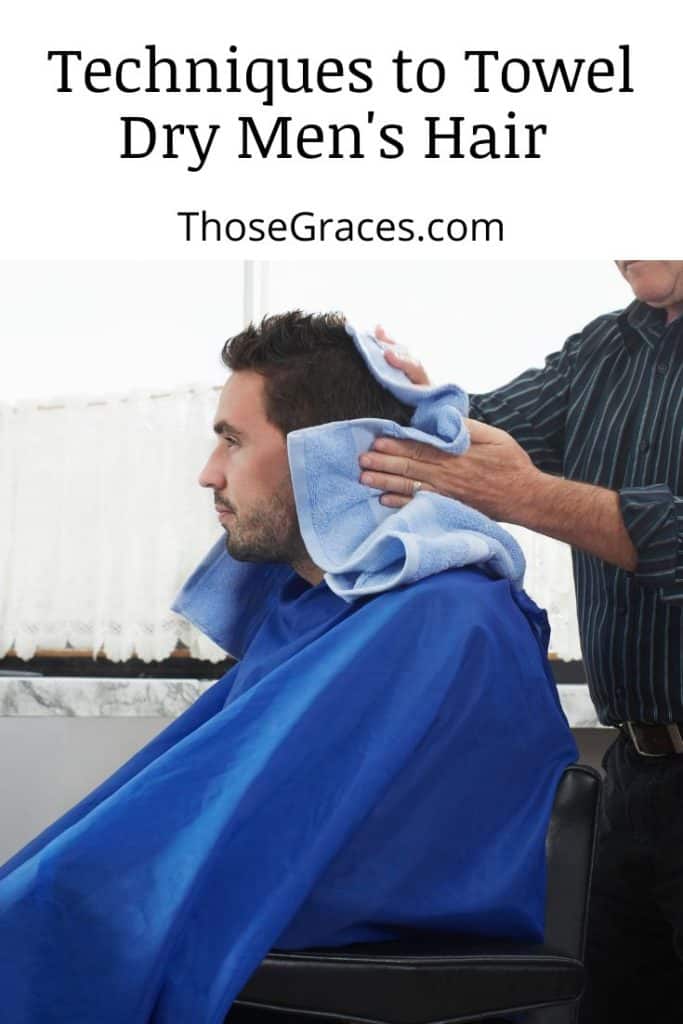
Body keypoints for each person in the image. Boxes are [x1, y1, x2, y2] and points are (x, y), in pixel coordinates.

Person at [0, 312, 576, 1024]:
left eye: (233, 442)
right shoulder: (323, 609)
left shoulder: (440, 618)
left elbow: (270, 840)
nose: (208, 474)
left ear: (333, 458)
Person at [362, 260, 683, 1023]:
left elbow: (510, 482)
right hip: (637, 773)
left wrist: (526, 496)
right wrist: (405, 401)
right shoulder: (607, 349)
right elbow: (478, 438)